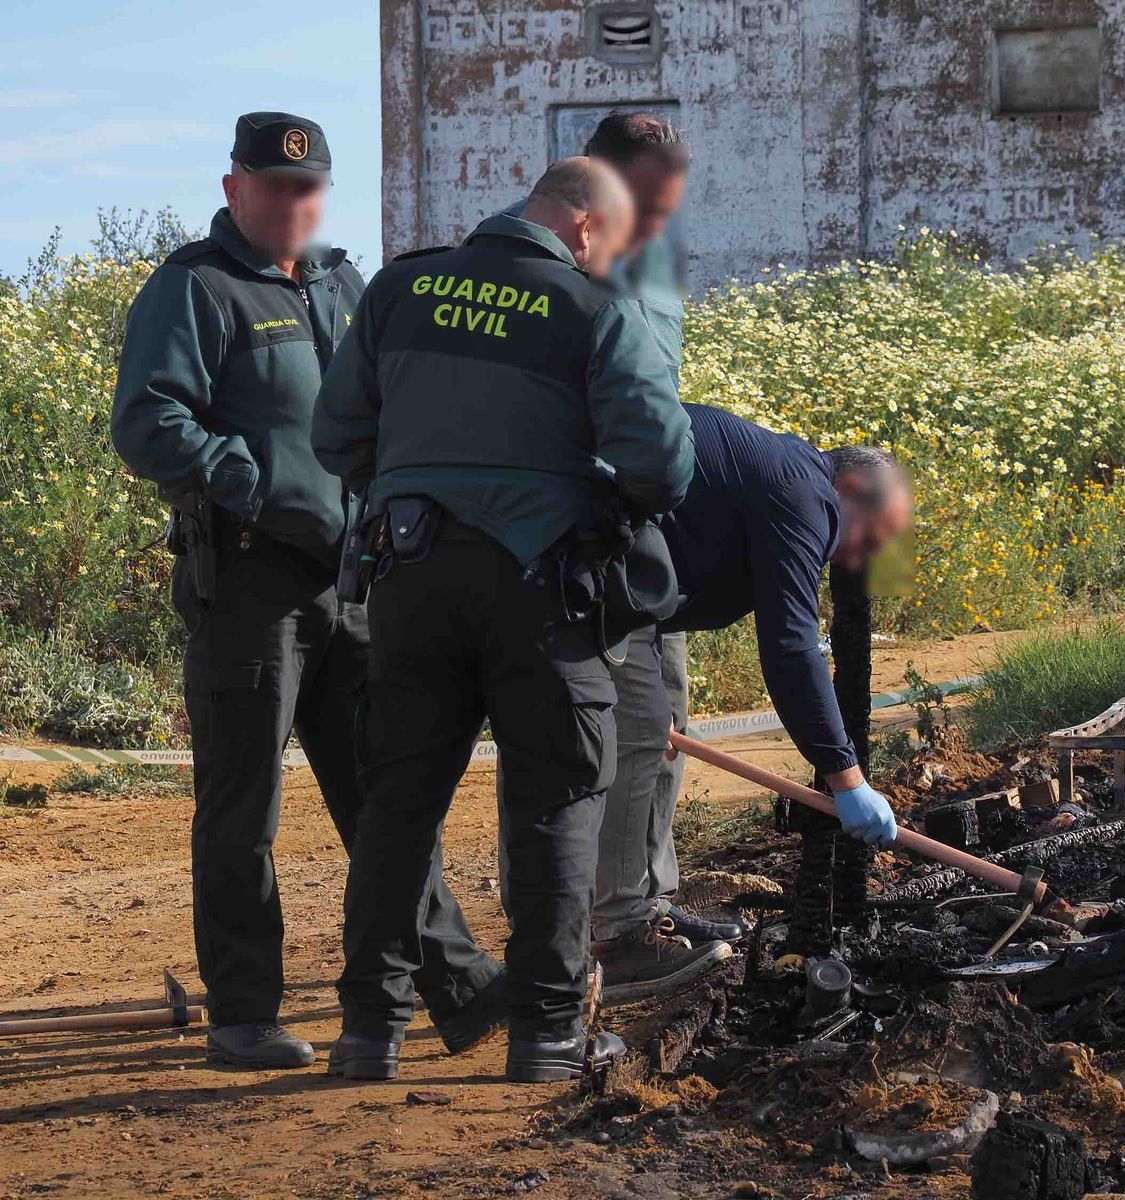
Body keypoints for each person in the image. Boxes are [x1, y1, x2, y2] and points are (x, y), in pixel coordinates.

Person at [110, 112, 504, 1070]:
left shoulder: (339, 281)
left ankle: (459, 986)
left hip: (357, 582)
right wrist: (253, 484)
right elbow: (146, 420)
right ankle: (244, 1016)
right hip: (250, 585)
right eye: (276, 187)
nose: (294, 204)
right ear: (235, 185)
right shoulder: (195, 288)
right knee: (243, 811)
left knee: (385, 797)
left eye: (309, 189)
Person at [312, 157, 694, 1082]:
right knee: (555, 802)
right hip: (542, 592)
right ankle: (549, 1037)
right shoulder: (594, 309)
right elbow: (663, 462)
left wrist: (417, 490)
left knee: (399, 804)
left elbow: (336, 438)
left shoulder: (401, 288)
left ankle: (370, 1034)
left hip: (407, 579)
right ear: (589, 233)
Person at [493, 112, 728, 1001]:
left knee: (661, 725)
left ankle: (645, 903)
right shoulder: (551, 265)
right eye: (649, 205)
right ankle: (588, 929)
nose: (661, 223)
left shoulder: (654, 267)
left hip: (643, 531)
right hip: (571, 543)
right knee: (581, 736)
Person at [594, 403, 910, 1002]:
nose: (861, 558)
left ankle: (651, 902)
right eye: (870, 536)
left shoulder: (794, 482)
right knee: (639, 735)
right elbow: (791, 647)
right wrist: (846, 777)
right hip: (605, 557)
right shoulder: (803, 493)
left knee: (669, 723)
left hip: (653, 573)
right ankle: (617, 932)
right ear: (847, 488)